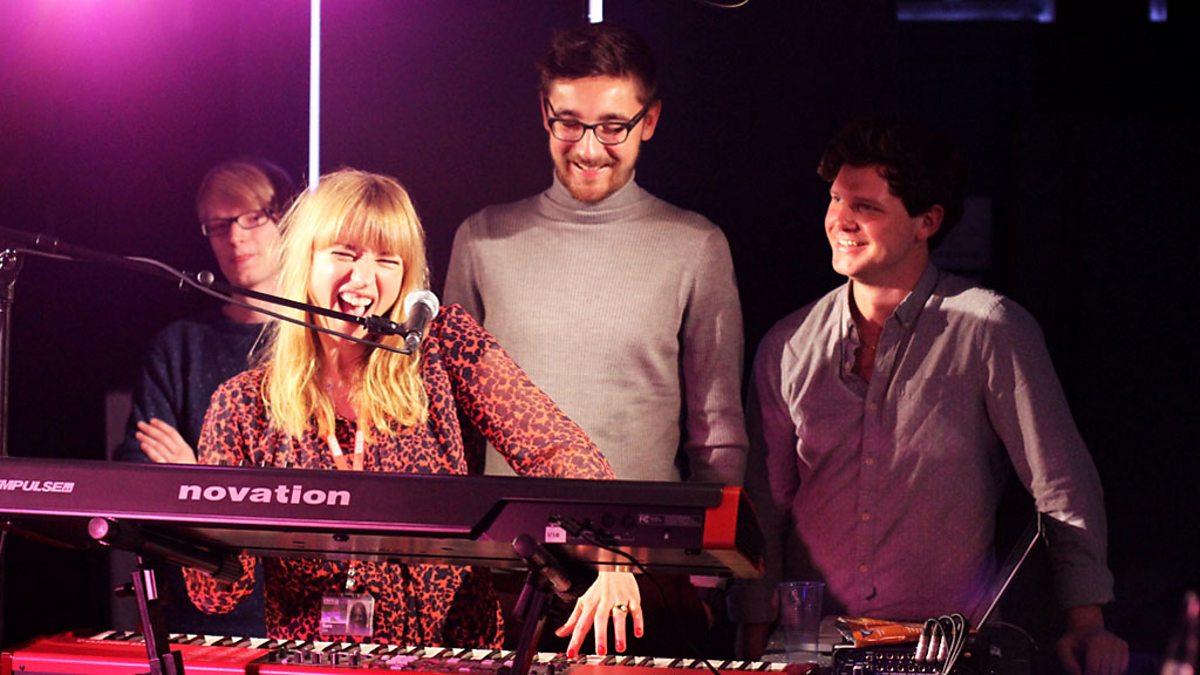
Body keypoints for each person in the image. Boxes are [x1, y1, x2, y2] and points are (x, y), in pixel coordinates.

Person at [182, 168, 642, 655]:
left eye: (387, 259)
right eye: (344, 254)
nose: (364, 279)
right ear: (304, 260)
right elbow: (218, 596)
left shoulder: (444, 349)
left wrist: (607, 549)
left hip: (452, 657)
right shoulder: (244, 404)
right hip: (311, 664)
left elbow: (552, 446)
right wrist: (203, 509)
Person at [732, 117, 1129, 675]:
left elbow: (1061, 485)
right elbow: (764, 502)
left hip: (943, 652)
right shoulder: (788, 343)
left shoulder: (990, 329)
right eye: (836, 199)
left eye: (866, 206)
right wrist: (755, 625)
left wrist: (1086, 620)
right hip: (813, 648)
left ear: (927, 221)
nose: (840, 219)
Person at [444, 22, 747, 656]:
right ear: (544, 113)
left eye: (612, 126)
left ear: (650, 120)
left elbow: (716, 430)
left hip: (646, 575)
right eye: (570, 123)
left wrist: (707, 573)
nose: (588, 148)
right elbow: (452, 425)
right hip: (508, 571)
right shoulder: (482, 239)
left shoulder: (695, 245)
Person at [111, 157, 294, 637]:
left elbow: (308, 487)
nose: (235, 238)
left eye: (251, 217)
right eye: (218, 225)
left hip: (301, 606)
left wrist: (199, 478)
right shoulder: (180, 346)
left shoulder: (320, 345)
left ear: (285, 218)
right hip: (197, 607)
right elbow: (137, 474)